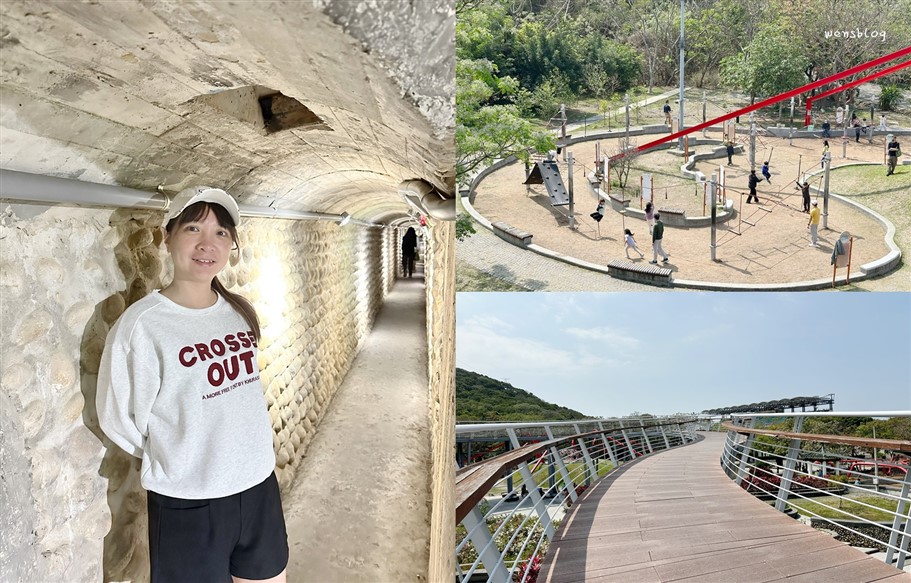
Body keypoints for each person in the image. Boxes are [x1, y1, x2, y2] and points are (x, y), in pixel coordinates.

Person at [96, 187, 289, 583]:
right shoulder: (143, 325)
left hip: (257, 486)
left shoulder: (236, 311)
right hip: (189, 501)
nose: (208, 243)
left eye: (221, 232)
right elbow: (118, 417)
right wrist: (175, 457)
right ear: (167, 237)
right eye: (193, 227)